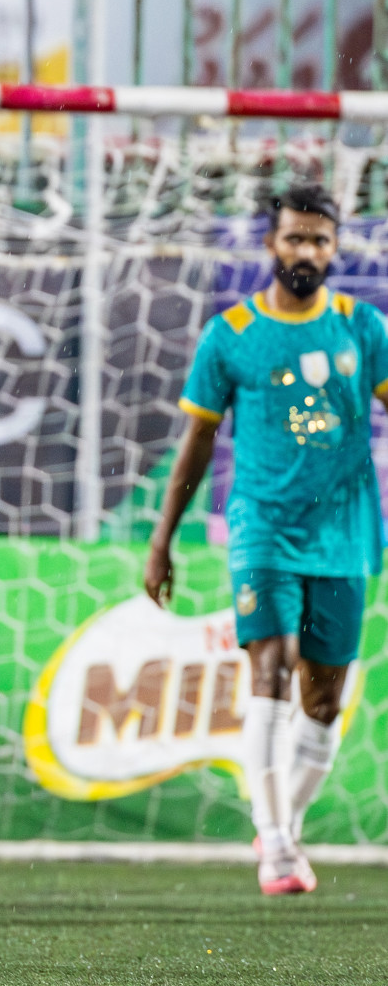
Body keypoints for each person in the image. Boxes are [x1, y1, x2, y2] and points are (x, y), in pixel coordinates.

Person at [144, 184, 388, 895]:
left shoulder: (362, 329)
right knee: (272, 668)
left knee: (324, 702)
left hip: (343, 530)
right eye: (294, 238)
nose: (306, 251)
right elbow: (195, 443)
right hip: (262, 526)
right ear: (270, 244)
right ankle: (278, 846)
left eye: (319, 239)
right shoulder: (232, 336)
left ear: (336, 246)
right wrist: (162, 542)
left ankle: (282, 821)